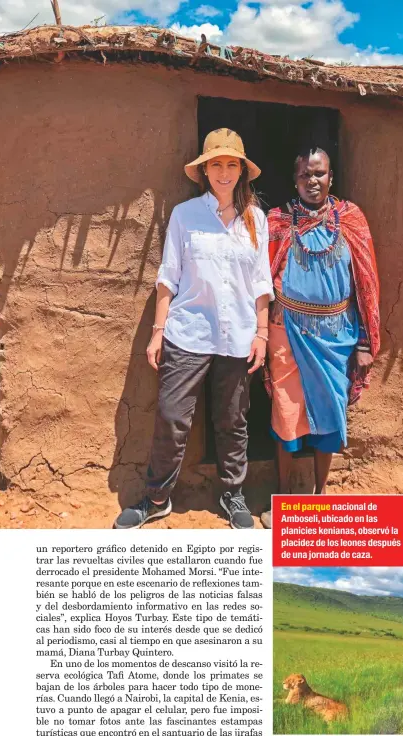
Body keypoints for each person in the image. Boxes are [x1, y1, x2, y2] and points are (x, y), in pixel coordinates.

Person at [114, 129, 273, 530]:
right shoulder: (186, 216)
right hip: (188, 332)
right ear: (204, 171)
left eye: (231, 164)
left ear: (241, 171)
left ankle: (231, 492)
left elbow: (261, 282)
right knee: (172, 416)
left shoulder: (256, 220)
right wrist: (158, 330)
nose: (223, 172)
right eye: (216, 164)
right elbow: (169, 275)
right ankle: (157, 497)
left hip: (237, 336)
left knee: (233, 419)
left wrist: (262, 333)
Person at [260, 146, 380, 528]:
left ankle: (319, 496)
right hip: (287, 332)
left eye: (320, 174)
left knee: (330, 412)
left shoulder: (351, 220)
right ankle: (283, 498)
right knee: (286, 411)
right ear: (294, 180)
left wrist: (363, 341)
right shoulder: (276, 221)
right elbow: (258, 278)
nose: (313, 181)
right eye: (305, 176)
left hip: (336, 335)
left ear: (331, 177)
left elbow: (366, 285)